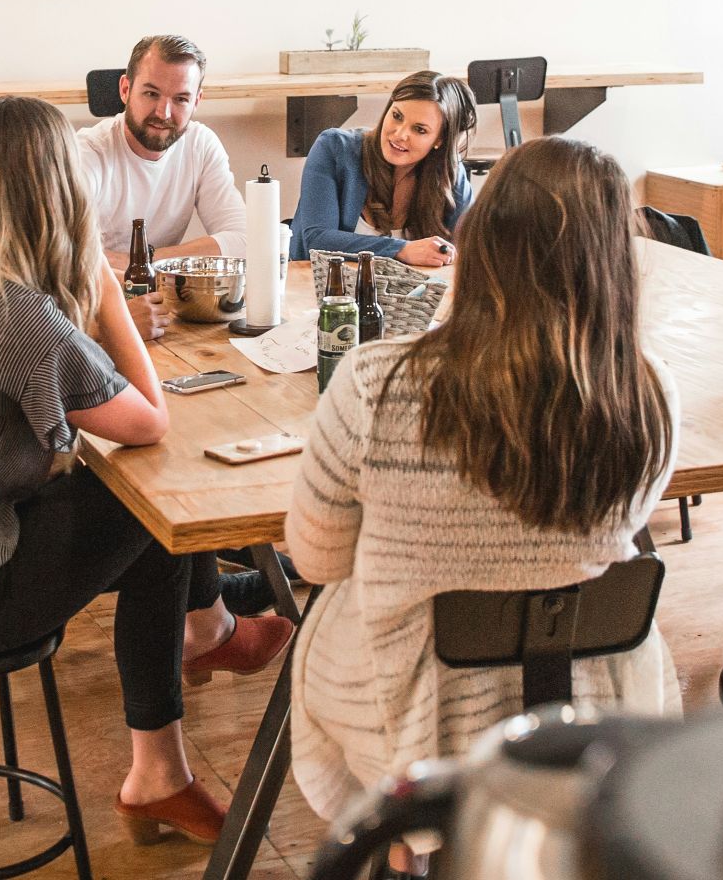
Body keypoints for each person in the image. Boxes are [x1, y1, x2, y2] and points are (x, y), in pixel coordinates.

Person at [0, 96, 293, 844]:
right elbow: (148, 417)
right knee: (147, 509)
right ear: (60, 192)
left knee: (123, 508)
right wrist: (105, 285)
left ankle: (188, 695)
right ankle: (174, 730)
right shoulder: (15, 313)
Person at [286, 136, 682, 874]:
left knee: (337, 614)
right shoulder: (649, 392)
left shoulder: (377, 381)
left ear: (481, 238)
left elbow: (314, 557)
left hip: (415, 709)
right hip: (590, 702)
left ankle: (410, 840)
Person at [76, 34, 246, 342]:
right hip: (95, 316)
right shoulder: (87, 153)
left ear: (197, 101)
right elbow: (70, 260)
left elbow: (243, 241)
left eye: (180, 99)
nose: (163, 113)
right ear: (126, 89)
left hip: (167, 316)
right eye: (151, 94)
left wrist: (148, 264)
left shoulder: (201, 144)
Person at [288, 70, 477, 267]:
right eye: (397, 116)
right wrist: (400, 250)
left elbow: (471, 247)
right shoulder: (335, 148)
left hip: (413, 297)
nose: (400, 134)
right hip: (319, 293)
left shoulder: (449, 172)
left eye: (419, 129)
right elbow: (318, 240)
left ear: (440, 139)